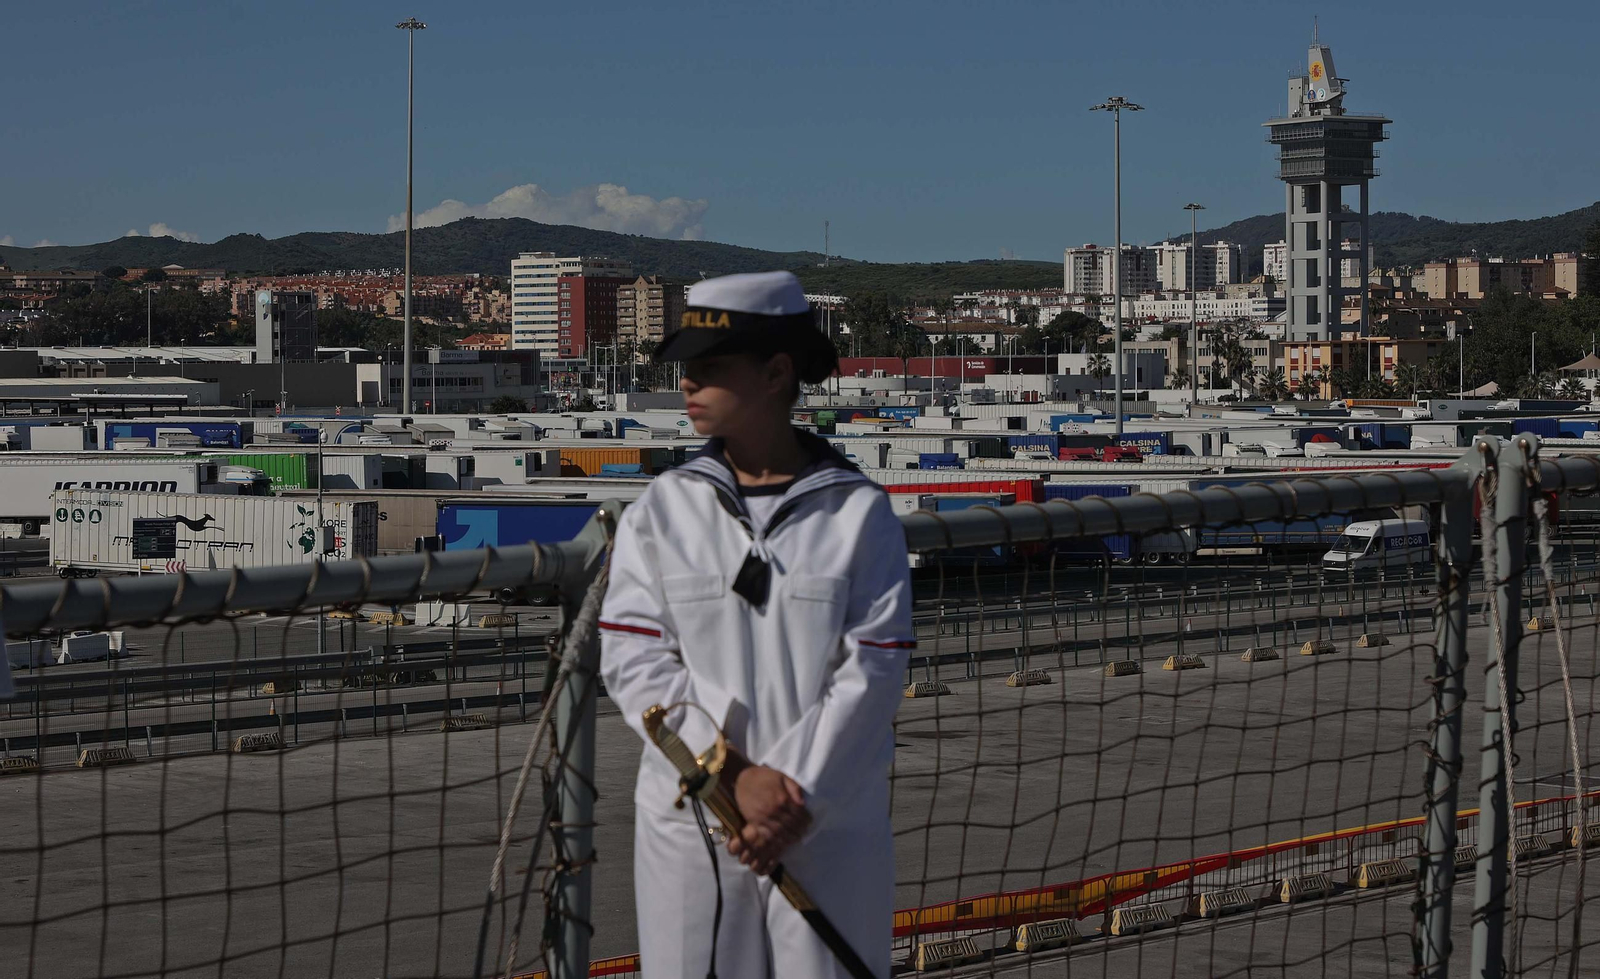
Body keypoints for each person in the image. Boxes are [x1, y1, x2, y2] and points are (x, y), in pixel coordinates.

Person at [600, 271, 914, 979]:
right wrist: (732, 776)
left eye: (710, 366)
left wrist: (792, 798)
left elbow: (874, 668)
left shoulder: (859, 515)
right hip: (694, 824)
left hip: (824, 827)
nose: (688, 383)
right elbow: (632, 657)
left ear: (776, 372)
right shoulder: (662, 510)